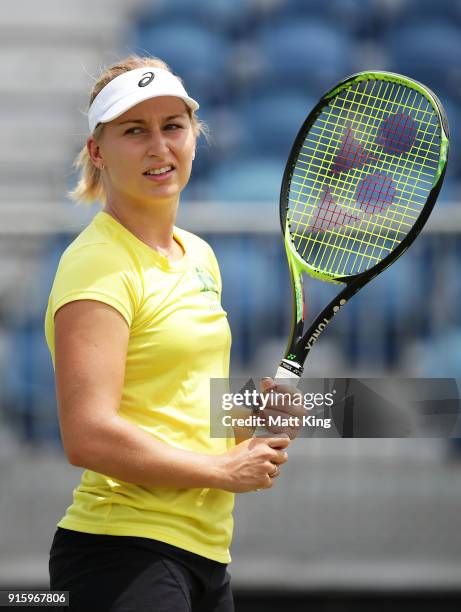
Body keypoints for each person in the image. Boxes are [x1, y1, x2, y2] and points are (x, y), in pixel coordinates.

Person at [44, 55, 298, 612]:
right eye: (134, 131)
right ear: (97, 151)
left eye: (172, 126)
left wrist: (250, 422)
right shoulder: (97, 265)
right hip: (122, 553)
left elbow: (178, 405)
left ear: (193, 136)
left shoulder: (199, 254)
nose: (159, 147)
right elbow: (87, 433)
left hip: (205, 554)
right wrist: (220, 470)